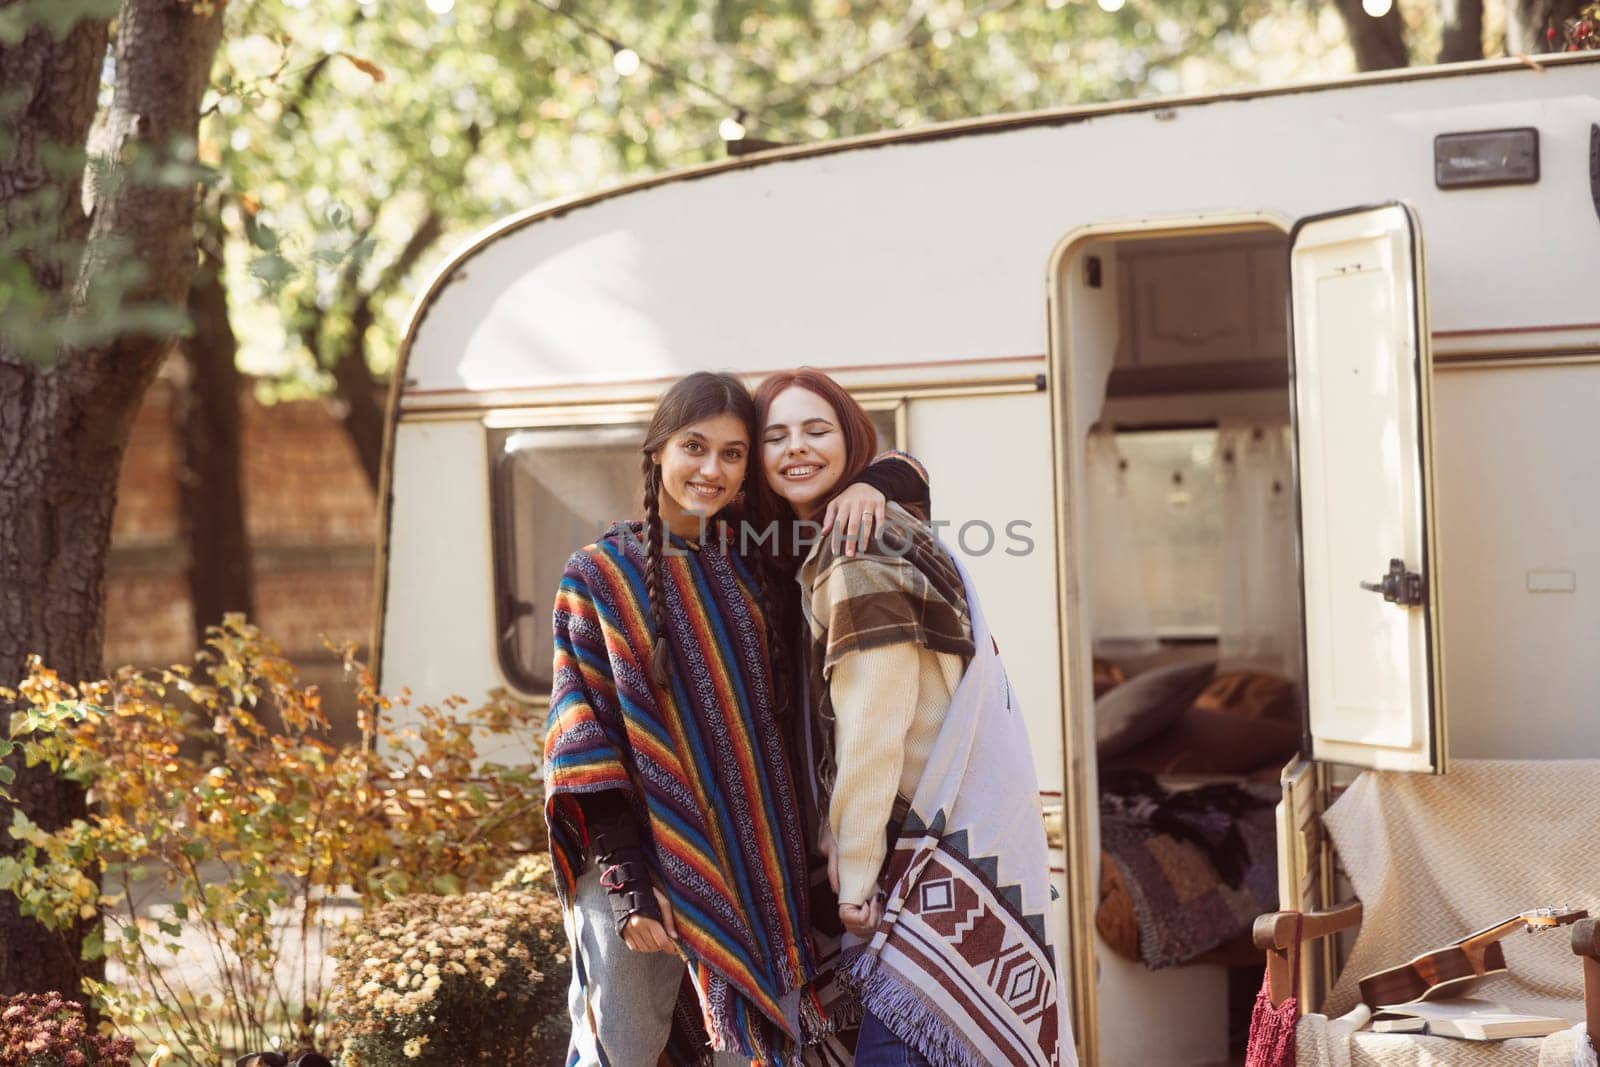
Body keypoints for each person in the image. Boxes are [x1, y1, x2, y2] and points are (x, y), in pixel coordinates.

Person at [543, 370, 927, 1067]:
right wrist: (630, 882)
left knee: (750, 1048)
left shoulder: (760, 560)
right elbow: (584, 739)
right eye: (695, 446)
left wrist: (874, 485)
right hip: (635, 860)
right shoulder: (597, 574)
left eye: (733, 453)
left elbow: (908, 470)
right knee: (619, 1050)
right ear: (657, 449)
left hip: (754, 860)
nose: (712, 469)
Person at [754, 368, 1076, 1067]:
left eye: (816, 430)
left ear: (850, 441)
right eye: (774, 435)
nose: (795, 449)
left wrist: (858, 874)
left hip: (928, 856)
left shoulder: (857, 546)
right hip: (970, 835)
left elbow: (876, 723)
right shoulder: (875, 522)